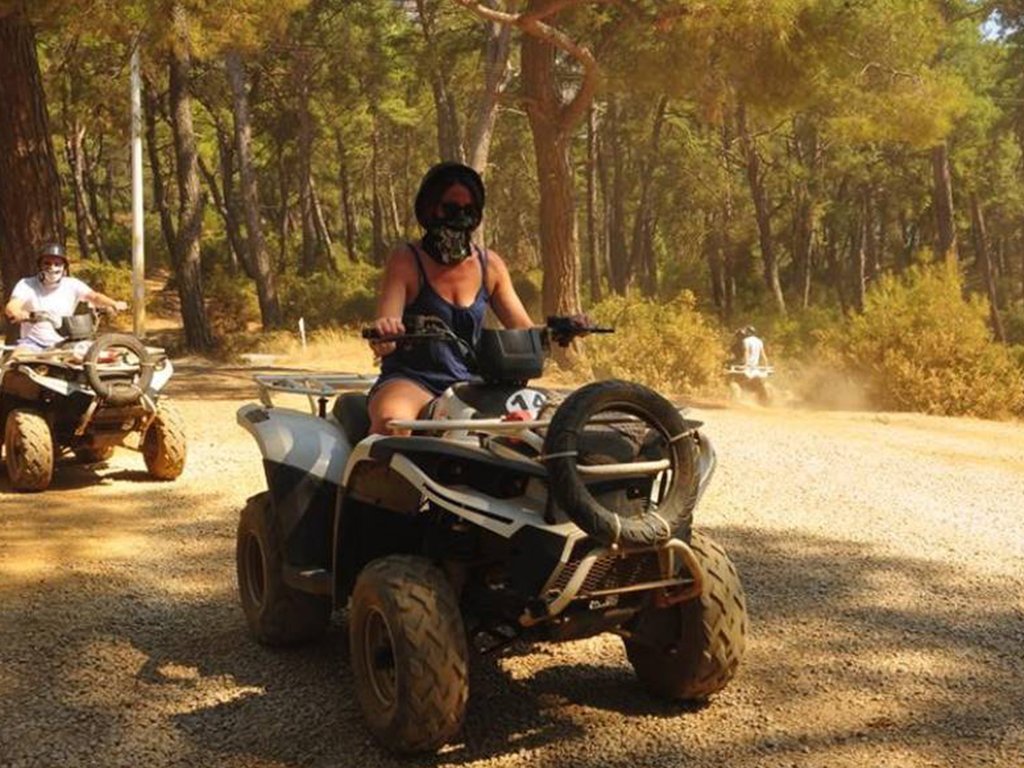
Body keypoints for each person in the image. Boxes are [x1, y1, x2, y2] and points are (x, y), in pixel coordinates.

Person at [368, 162, 534, 434]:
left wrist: (562, 328)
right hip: (414, 381)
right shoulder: (406, 260)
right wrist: (386, 332)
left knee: (532, 428)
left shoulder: (490, 265)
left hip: (473, 384)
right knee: (392, 423)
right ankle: (374, 475)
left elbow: (525, 330)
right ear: (430, 208)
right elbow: (387, 321)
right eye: (451, 209)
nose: (460, 218)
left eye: (469, 211)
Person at [4, 243, 128, 351]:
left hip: (66, 343)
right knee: (17, 362)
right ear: (39, 265)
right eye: (47, 263)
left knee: (89, 363)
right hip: (33, 343)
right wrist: (19, 313)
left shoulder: (72, 284)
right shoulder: (27, 284)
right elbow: (13, 306)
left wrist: (113, 303)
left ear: (64, 268)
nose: (52, 267)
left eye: (57, 263)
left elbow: (94, 297)